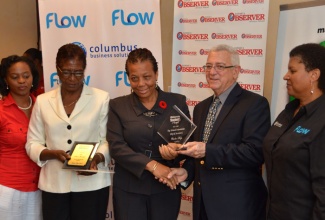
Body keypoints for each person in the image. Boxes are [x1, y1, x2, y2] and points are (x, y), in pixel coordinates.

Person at [160, 44, 270, 220]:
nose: (212, 72)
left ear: (236, 71)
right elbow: (199, 156)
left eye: (220, 66)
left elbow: (255, 152)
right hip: (202, 205)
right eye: (208, 66)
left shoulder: (254, 104)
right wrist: (187, 172)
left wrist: (207, 150)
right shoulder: (201, 108)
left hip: (237, 207)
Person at [25, 43, 111, 220]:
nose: (72, 78)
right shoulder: (42, 101)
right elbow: (32, 142)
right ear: (57, 70)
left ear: (85, 69)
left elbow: (106, 140)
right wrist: (49, 153)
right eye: (67, 72)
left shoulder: (101, 98)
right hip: (54, 184)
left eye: (78, 72)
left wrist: (97, 158)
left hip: (92, 185)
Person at [107, 48, 190, 220]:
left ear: (156, 74)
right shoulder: (117, 106)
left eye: (147, 77)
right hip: (129, 191)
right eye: (134, 78)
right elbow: (117, 147)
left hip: (166, 186)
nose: (141, 84)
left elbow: (188, 143)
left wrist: (176, 151)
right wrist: (153, 166)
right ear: (128, 77)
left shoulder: (177, 102)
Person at [263, 43, 325, 220]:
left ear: (314, 75)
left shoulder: (321, 119)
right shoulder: (289, 111)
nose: (285, 76)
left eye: (293, 71)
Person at [0, 55, 41, 220]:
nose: (22, 81)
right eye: (15, 77)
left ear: (33, 77)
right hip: (8, 189)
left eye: (26, 75)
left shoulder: (43, 107)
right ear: (6, 80)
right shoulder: (2, 111)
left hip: (39, 187)